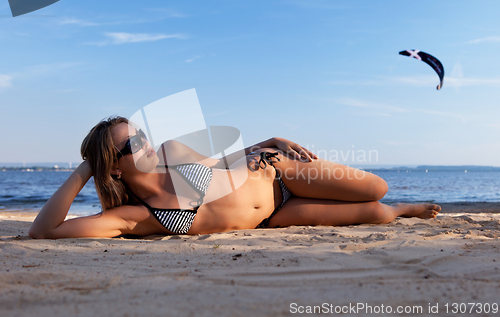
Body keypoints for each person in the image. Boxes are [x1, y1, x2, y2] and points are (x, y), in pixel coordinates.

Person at [29, 116, 441, 239]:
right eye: (131, 143)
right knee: (378, 212)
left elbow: (224, 162)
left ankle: (398, 202)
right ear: (114, 166)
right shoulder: (136, 216)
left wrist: (271, 141)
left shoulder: (172, 150)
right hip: (276, 216)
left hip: (278, 173)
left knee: (376, 187)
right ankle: (406, 210)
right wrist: (86, 167)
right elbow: (43, 232)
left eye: (140, 133)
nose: (144, 140)